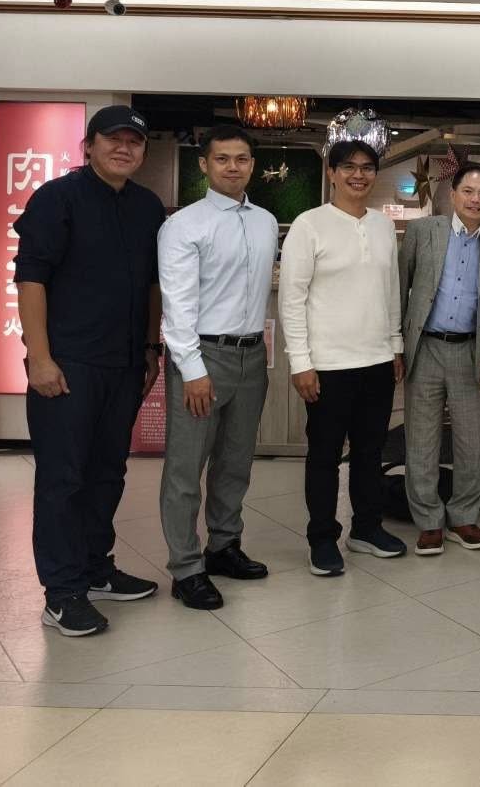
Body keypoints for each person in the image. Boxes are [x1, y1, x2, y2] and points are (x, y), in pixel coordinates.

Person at [14, 105, 165, 636]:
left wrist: (150, 348)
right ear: (89, 145)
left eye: (134, 142)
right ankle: (61, 592)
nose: (124, 148)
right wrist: (40, 357)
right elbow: (31, 280)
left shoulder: (147, 207)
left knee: (108, 472)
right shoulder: (57, 199)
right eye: (113, 139)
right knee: (63, 479)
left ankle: (96, 568)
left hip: (123, 365)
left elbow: (151, 285)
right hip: (68, 365)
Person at [157, 125, 278, 610]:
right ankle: (186, 567)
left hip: (253, 354)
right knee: (186, 468)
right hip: (203, 356)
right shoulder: (184, 225)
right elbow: (177, 303)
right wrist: (192, 369)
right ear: (204, 164)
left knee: (235, 461)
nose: (233, 166)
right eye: (222, 158)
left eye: (242, 158)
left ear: (252, 165)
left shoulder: (266, 221)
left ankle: (223, 546)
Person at [279, 140, 406, 576]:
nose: (358, 175)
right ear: (331, 173)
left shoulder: (383, 226)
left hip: (377, 361)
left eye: (367, 168)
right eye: (348, 167)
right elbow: (292, 300)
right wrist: (301, 362)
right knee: (325, 455)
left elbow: (391, 291)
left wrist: (395, 345)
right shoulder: (309, 225)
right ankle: (322, 538)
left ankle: (366, 529)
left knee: (370, 451)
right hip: (328, 365)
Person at [399, 163, 480, 556]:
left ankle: (464, 516)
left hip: (472, 352)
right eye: (468, 191)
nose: (475, 199)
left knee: (472, 441)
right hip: (426, 348)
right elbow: (400, 289)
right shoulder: (422, 232)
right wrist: (397, 346)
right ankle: (429, 521)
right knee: (421, 440)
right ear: (453, 194)